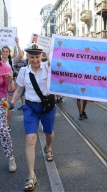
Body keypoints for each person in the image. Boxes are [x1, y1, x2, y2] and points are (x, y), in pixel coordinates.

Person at [10, 43, 56, 191]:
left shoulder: (49, 68)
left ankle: (48, 147)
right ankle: (31, 175)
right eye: (32, 57)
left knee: (49, 133)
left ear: (42, 56)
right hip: (30, 107)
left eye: (37, 57)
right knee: (30, 138)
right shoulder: (23, 71)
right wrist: (11, 103)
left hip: (47, 107)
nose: (35, 60)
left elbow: (63, 71)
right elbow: (18, 91)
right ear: (28, 57)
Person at [1, 37, 23, 131]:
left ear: (9, 53)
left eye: (7, 51)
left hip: (9, 86)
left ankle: (7, 124)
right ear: (1, 52)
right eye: (3, 51)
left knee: (8, 106)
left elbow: (21, 55)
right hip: (1, 87)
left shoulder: (11, 61)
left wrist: (17, 43)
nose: (5, 53)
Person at [0, 58, 17, 172]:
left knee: (2, 129)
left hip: (1, 100)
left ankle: (11, 158)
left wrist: (11, 81)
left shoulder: (5, 67)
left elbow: (11, 89)